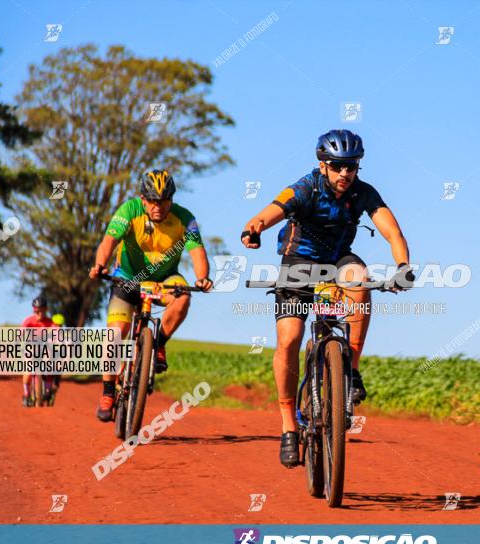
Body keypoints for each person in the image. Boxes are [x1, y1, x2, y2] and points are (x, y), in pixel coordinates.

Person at [240, 129, 415, 467]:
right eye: (337, 167)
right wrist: (254, 228)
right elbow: (271, 210)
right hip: (298, 264)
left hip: (338, 261)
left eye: (351, 167)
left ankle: (350, 370)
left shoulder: (363, 193)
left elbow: (392, 231)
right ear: (323, 166)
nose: (345, 174)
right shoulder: (305, 187)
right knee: (289, 339)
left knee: (360, 280)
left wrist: (403, 266)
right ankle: (289, 425)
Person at [88, 169, 213, 422]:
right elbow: (109, 241)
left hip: (164, 280)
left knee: (183, 297)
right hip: (127, 277)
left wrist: (203, 277)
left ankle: (159, 345)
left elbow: (197, 251)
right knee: (114, 335)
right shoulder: (129, 210)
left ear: (172, 199)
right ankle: (108, 392)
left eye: (164, 200)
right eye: (153, 201)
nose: (158, 206)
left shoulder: (184, 218)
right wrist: (100, 264)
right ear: (143, 200)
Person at [21, 296, 53, 405]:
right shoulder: (29, 321)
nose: (40, 313)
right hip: (31, 348)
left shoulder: (49, 322)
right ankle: (26, 394)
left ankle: (48, 391)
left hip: (44, 348)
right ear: (34, 310)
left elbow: (57, 333)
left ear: (46, 310)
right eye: (37, 311)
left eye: (42, 310)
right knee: (28, 372)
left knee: (49, 362)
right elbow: (20, 333)